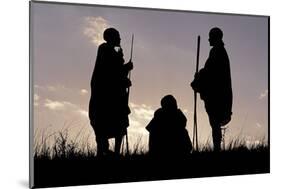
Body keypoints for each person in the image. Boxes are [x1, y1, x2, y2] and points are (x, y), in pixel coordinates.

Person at [88, 28, 133, 156]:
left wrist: (124, 74)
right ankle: (104, 152)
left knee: (119, 124)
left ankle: (115, 152)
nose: (120, 39)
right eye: (117, 36)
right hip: (106, 97)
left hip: (115, 96)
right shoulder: (105, 49)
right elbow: (111, 72)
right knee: (107, 124)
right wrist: (126, 69)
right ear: (110, 37)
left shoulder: (114, 50)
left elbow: (117, 69)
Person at [191, 27, 233, 151]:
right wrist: (200, 76)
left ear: (215, 37)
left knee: (215, 123)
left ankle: (217, 149)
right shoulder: (219, 51)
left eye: (210, 36)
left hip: (217, 94)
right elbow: (209, 71)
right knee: (215, 123)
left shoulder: (217, 51)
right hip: (220, 93)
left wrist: (199, 76)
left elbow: (211, 72)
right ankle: (217, 149)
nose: (209, 39)